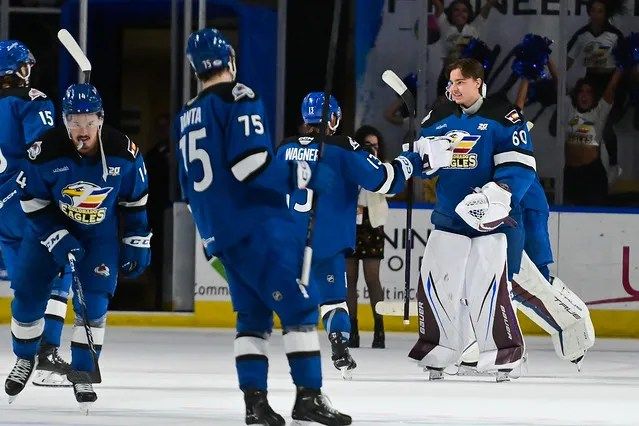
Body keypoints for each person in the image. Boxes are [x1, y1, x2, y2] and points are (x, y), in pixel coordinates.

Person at [176, 28, 350, 425]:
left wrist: (210, 236)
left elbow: (188, 185)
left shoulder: (187, 114)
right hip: (256, 225)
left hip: (221, 234)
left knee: (252, 319)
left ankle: (255, 404)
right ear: (231, 61)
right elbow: (249, 165)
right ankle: (308, 396)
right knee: (302, 305)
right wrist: (301, 173)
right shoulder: (239, 96)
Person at [4, 82, 152, 410]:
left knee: (95, 302)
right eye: (74, 121)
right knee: (27, 296)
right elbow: (32, 204)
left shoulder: (124, 152)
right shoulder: (45, 151)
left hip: (98, 235)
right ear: (64, 120)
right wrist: (57, 237)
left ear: (101, 119)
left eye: (88, 121)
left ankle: (83, 369)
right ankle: (26, 357)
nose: (81, 130)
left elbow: (135, 202)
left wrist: (137, 241)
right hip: (47, 231)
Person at [407, 58, 535, 382]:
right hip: (449, 217)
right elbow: (421, 163)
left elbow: (522, 165)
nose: (453, 88)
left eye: (460, 82)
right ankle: (437, 350)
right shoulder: (438, 116)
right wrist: (420, 158)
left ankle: (504, 355)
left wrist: (499, 193)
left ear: (478, 82)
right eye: (450, 83)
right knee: (435, 284)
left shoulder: (503, 117)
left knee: (488, 287)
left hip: (486, 219)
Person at [277, 95, 421, 378]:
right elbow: (384, 181)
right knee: (333, 302)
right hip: (326, 242)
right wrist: (409, 160)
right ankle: (340, 343)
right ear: (333, 119)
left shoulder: (284, 147)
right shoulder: (343, 148)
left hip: (288, 242)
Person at [0, 39, 75, 388]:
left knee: (25, 287)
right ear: (18, 70)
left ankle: (23, 357)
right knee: (60, 270)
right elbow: (42, 151)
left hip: (3, 217)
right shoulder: (33, 101)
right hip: (29, 204)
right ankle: (46, 351)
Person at [567, 0, 626, 186]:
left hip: (611, 82)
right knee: (589, 128)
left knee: (606, 125)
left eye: (600, 11)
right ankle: (591, 167)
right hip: (590, 81)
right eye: (593, 10)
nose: (595, 14)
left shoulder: (615, 35)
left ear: (605, 13)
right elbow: (568, 60)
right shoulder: (582, 35)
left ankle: (614, 165)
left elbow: (626, 61)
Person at [345, 125, 390, 349]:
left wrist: (377, 166)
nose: (373, 149)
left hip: (372, 226)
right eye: (368, 145)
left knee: (373, 279)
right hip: (349, 226)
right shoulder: (350, 166)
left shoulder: (381, 168)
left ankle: (379, 329)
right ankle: (352, 330)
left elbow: (390, 190)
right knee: (349, 281)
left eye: (376, 146)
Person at [431, 0, 499, 96]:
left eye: (464, 11)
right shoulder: (445, 26)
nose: (460, 13)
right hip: (448, 77)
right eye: (456, 10)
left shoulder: (474, 29)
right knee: (443, 108)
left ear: (469, 14)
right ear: (451, 12)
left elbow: (487, 7)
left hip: (469, 79)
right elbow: (438, 6)